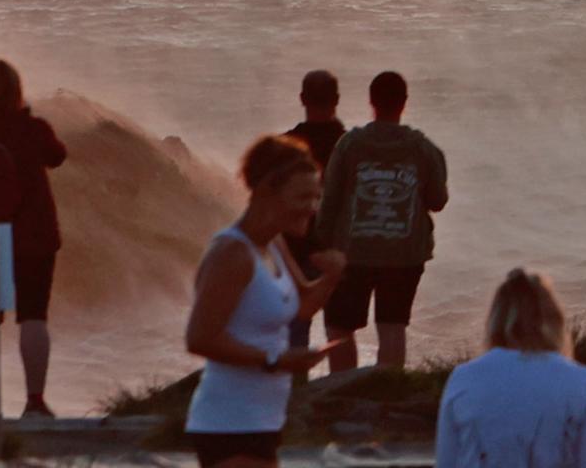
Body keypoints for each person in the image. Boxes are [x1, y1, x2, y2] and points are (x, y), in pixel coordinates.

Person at [183, 134, 346, 468]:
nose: (312, 207)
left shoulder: (273, 245)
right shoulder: (232, 253)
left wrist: (331, 277)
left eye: (315, 197)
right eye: (302, 196)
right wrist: (277, 360)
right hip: (228, 423)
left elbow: (301, 307)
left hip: (263, 420)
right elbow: (199, 338)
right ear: (266, 191)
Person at [313, 69, 449, 369]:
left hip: (353, 251)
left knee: (340, 327)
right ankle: (387, 390)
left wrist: (322, 244)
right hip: (404, 253)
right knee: (392, 326)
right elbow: (438, 201)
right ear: (404, 103)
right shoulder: (422, 148)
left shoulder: (349, 145)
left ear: (371, 101)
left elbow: (330, 199)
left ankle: (341, 392)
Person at [435, 269, 586, 468]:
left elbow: (446, 461)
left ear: (495, 320)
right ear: (553, 320)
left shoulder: (464, 377)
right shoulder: (580, 380)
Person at [0, 60, 66, 417]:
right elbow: (58, 156)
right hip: (34, 239)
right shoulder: (32, 128)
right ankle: (35, 402)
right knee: (33, 317)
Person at [285, 70, 352, 373]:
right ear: (337, 100)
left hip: (297, 249)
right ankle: (345, 390)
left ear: (302, 99)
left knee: (296, 326)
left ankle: (294, 392)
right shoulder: (350, 145)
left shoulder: (287, 146)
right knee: (339, 330)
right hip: (340, 249)